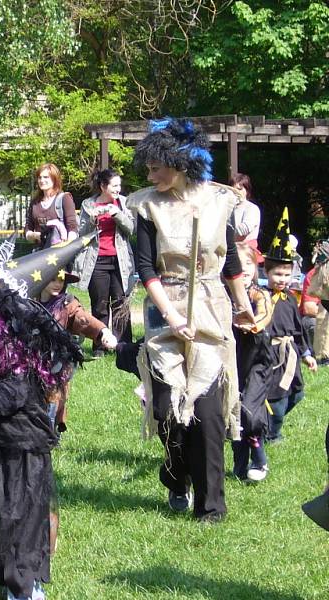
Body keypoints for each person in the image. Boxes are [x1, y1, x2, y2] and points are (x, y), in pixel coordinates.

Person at [128, 117, 255, 523]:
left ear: (180, 162)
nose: (150, 174)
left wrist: (243, 303)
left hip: (211, 308)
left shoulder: (219, 200)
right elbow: (146, 268)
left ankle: (211, 507)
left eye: (156, 166)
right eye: (147, 168)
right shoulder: (146, 204)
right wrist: (171, 316)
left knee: (208, 413)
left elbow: (231, 260)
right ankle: (176, 475)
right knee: (168, 409)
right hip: (166, 305)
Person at [0, 285, 81, 600]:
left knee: (20, 520)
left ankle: (24, 587)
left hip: (23, 459)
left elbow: (1, 398)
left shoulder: (20, 372)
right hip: (0, 453)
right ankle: (8, 574)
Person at [262, 209, 317, 444]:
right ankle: (271, 434)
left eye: (286, 274)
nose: (282, 279)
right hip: (271, 355)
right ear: (266, 272)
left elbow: (298, 330)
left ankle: (268, 423)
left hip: (290, 355)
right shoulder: (261, 298)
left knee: (297, 393)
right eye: (277, 274)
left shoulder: (289, 299)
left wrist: (306, 353)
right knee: (277, 398)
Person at [39, 270, 118, 431]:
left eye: (61, 280)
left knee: (53, 403)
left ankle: (50, 436)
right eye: (52, 278)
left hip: (56, 367)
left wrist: (103, 331)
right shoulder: (28, 300)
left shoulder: (66, 304)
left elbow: (82, 318)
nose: (57, 284)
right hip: (31, 364)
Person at [73, 168, 135, 356]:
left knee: (120, 303)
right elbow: (81, 233)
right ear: (103, 186)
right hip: (96, 260)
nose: (118, 189)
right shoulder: (88, 204)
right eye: (114, 185)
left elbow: (131, 228)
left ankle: (123, 347)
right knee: (99, 305)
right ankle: (100, 346)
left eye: (119, 185)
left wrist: (117, 214)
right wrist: (92, 219)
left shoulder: (123, 203)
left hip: (120, 260)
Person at [230, 243, 274, 482]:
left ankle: (259, 458)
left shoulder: (259, 293)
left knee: (249, 411)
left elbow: (264, 314)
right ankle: (239, 465)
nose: (244, 269)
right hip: (232, 361)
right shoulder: (222, 294)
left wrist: (251, 323)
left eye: (248, 263)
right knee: (233, 413)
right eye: (238, 264)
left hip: (258, 363)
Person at [24, 163, 78, 249]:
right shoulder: (34, 202)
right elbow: (27, 229)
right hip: (39, 254)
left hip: (60, 254)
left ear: (54, 179)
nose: (42, 180)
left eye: (46, 177)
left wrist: (67, 248)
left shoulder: (65, 198)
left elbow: (72, 228)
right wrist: (35, 235)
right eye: (39, 177)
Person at [229, 172, 261, 249]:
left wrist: (222, 234)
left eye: (239, 189)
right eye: (233, 189)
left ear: (247, 190)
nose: (236, 192)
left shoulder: (252, 208)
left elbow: (243, 230)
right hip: (230, 252)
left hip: (245, 252)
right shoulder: (228, 208)